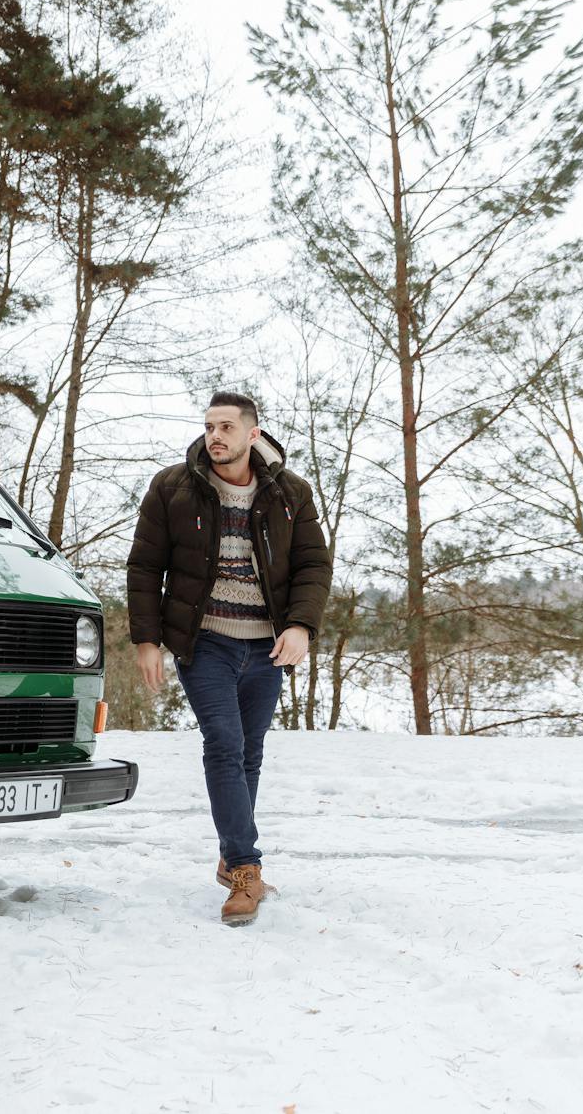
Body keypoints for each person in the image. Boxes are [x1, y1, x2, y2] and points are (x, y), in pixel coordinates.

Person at [126, 391, 331, 925]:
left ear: (253, 435)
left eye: (227, 427)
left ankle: (229, 850)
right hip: (206, 641)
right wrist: (146, 639)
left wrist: (302, 625)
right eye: (209, 426)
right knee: (224, 742)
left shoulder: (291, 494)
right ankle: (244, 869)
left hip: (266, 645)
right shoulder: (174, 487)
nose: (215, 436)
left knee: (250, 752)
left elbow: (313, 565)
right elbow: (145, 566)